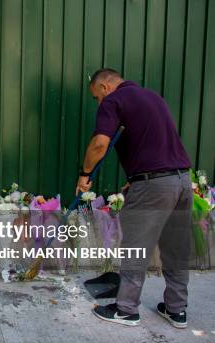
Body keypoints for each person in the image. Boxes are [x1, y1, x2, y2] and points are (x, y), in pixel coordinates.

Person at [76, 68, 192, 328]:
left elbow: (99, 144)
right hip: (182, 180)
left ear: (105, 87)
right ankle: (177, 310)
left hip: (153, 185)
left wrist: (84, 174)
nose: (99, 102)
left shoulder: (114, 101)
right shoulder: (153, 97)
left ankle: (126, 309)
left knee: (136, 246)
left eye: (96, 97)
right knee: (176, 248)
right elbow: (156, 140)